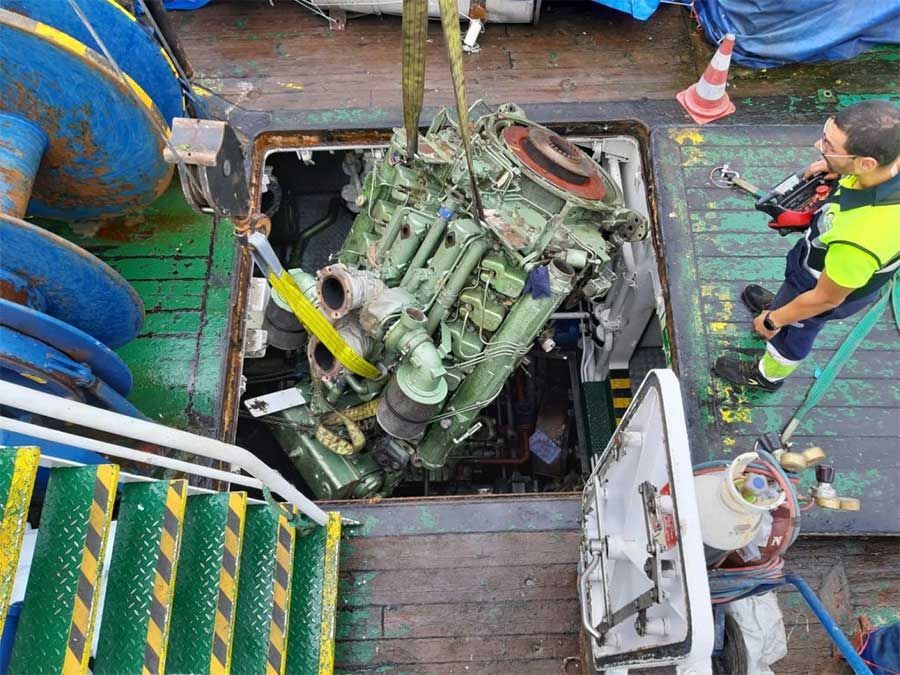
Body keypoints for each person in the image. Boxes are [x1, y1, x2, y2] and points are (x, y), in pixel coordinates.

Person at [714, 100, 900, 390]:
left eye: (830, 146)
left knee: (794, 335)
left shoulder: (861, 238)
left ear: (866, 163)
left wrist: (774, 320)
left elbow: (825, 299)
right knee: (792, 298)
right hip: (816, 265)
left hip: (821, 290)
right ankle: (784, 304)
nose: (818, 145)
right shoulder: (887, 161)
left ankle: (767, 375)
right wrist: (836, 167)